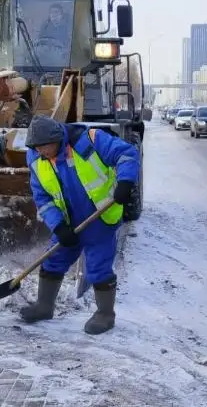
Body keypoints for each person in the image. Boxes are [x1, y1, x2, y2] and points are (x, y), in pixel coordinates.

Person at [22, 115, 141, 335]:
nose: (41, 152)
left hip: (99, 217)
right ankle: (44, 306)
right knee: (52, 260)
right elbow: (43, 199)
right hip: (68, 222)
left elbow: (126, 153)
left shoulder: (88, 140)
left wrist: (125, 182)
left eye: (44, 147)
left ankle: (105, 315)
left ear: (57, 139)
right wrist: (58, 226)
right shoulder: (36, 159)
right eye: (36, 148)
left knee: (98, 267)